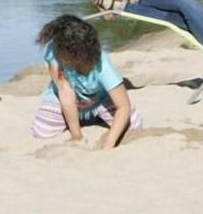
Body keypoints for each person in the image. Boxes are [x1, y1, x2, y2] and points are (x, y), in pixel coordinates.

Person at [31, 14, 143, 149]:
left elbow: (123, 106)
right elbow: (65, 93)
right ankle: (78, 120)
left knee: (134, 124)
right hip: (64, 99)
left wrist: (109, 143)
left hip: (100, 100)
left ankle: (93, 117)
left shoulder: (102, 64)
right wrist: (76, 135)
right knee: (42, 131)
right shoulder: (53, 52)